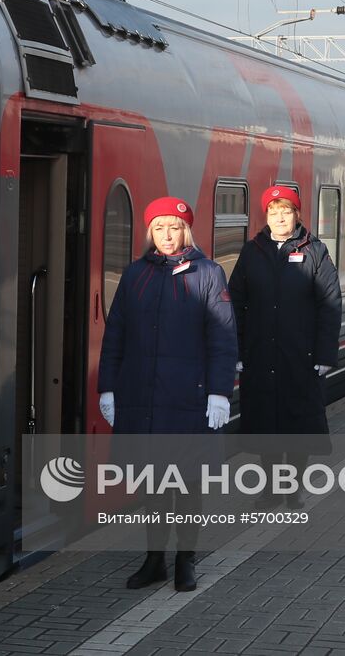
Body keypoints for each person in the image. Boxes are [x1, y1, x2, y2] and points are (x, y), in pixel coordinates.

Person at [98, 196, 237, 593]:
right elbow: (115, 336)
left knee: (188, 483)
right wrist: (107, 386)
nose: (167, 235)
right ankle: (154, 559)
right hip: (143, 397)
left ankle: (186, 560)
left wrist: (219, 393)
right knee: (153, 485)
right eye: (159, 228)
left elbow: (223, 337)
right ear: (150, 233)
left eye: (174, 228)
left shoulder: (209, 274)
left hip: (190, 398)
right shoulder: (135, 274)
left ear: (186, 231)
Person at [229, 185, 343, 509]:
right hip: (260, 353)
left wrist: (324, 354)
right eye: (273, 211)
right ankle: (268, 490)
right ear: (266, 216)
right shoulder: (252, 252)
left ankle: (292, 489)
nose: (280, 217)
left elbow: (330, 303)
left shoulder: (315, 251)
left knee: (298, 425)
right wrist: (237, 350)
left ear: (297, 214)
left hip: (301, 355)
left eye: (286, 211)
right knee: (266, 425)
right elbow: (234, 301)